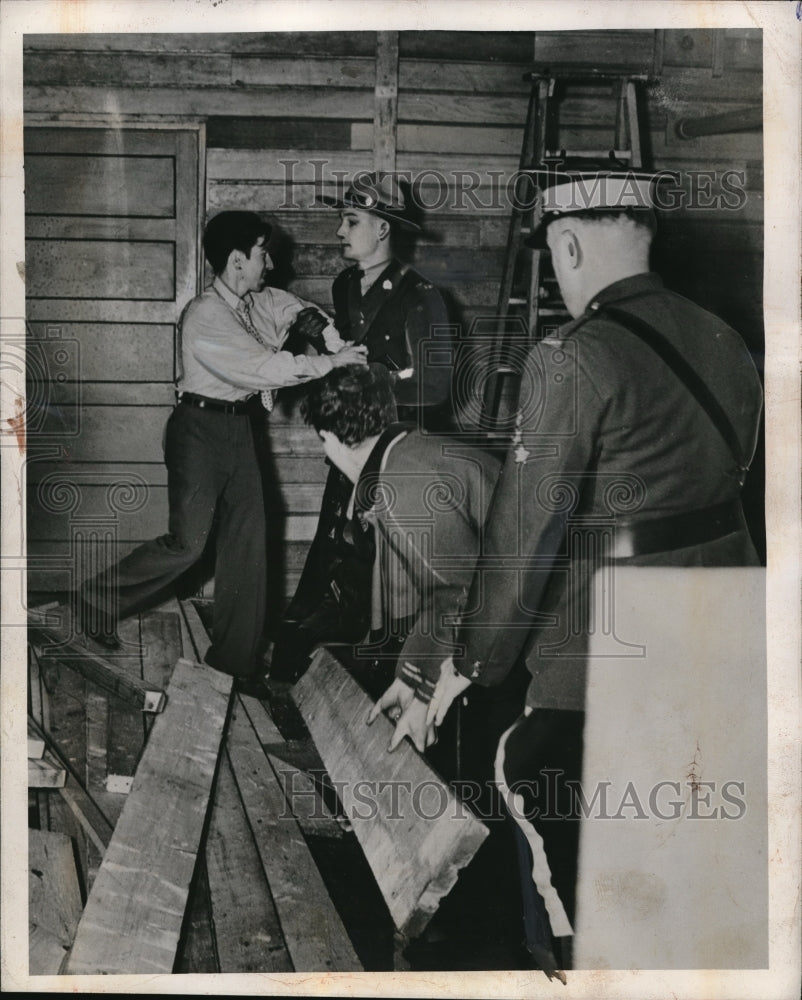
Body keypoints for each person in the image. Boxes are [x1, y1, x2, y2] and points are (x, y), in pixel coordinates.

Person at [383, 167, 764, 975]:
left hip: (610, 653)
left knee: (532, 788)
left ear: (567, 243)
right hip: (730, 636)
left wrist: (469, 665)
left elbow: (523, 541)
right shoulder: (726, 339)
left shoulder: (570, 357)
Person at [78, 210, 367, 697]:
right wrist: (330, 362)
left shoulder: (258, 300)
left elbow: (296, 309)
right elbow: (261, 368)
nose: (270, 263)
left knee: (248, 544)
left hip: (239, 432)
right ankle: (93, 601)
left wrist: (333, 337)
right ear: (237, 260)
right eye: (262, 254)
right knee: (188, 545)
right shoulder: (205, 316)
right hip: (199, 430)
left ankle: (234, 663)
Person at [273, 173, 454, 671]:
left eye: (350, 221)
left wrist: (369, 378)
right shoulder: (345, 286)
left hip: (395, 451)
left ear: (382, 231)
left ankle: (389, 661)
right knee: (339, 551)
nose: (338, 231)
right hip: (351, 450)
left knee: (388, 563)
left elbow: (436, 387)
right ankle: (308, 663)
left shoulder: (422, 297)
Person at [288, 363, 499, 732]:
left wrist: (422, 692)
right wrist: (408, 677)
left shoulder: (400, 487)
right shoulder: (410, 450)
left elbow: (460, 595)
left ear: (332, 439)